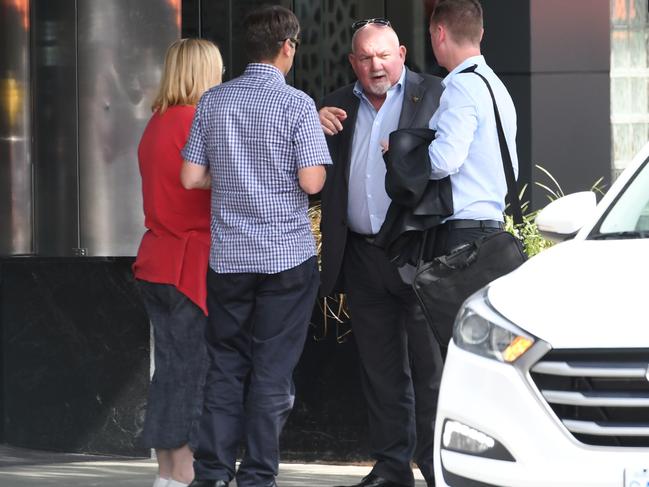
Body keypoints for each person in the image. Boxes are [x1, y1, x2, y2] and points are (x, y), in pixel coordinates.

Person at [180, 5, 332, 487]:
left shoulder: (214, 101)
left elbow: (190, 177)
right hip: (286, 260)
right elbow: (311, 181)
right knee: (271, 373)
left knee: (225, 366)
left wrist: (234, 179)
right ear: (288, 46)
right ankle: (258, 476)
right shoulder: (297, 105)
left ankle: (212, 473)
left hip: (229, 260)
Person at [318, 19, 444, 487]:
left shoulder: (434, 95)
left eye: (384, 55)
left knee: (429, 372)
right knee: (380, 370)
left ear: (402, 54)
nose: (376, 65)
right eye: (366, 57)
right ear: (353, 62)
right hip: (361, 254)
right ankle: (392, 467)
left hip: (417, 252)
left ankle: (436, 468)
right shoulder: (332, 104)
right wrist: (312, 126)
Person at [133, 38, 223, 487]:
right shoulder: (194, 121)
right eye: (218, 70)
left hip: (156, 260)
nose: (223, 78)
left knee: (169, 371)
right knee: (192, 373)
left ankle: (167, 471)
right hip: (190, 263)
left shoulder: (156, 123)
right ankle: (186, 471)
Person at [427, 0, 518, 256]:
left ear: (440, 33)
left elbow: (444, 160)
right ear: (481, 33)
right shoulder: (495, 86)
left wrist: (403, 156)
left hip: (463, 236)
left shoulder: (461, 87)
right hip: (493, 230)